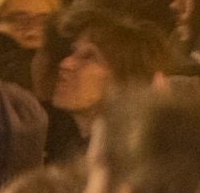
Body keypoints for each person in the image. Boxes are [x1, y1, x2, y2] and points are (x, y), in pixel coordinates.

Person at [45, 13, 170, 161]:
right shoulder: (65, 143)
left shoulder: (135, 164)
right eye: (73, 52)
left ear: (129, 82)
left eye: (89, 57)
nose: (65, 64)